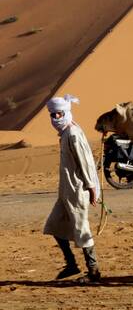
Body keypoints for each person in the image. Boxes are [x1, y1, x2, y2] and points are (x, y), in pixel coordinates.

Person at [43, 94, 102, 281]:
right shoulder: (66, 133)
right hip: (66, 191)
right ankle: (71, 265)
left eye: (59, 114)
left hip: (78, 189)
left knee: (82, 229)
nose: (55, 118)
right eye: (53, 115)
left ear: (66, 113)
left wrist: (91, 187)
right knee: (53, 225)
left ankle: (93, 270)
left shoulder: (73, 134)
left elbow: (84, 162)